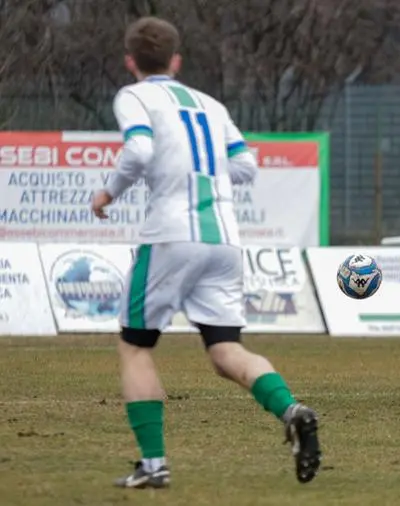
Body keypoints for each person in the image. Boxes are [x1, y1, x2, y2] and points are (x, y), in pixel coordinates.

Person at [90, 16, 321, 489]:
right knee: (225, 350)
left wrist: (108, 194)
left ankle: (153, 466)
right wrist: (206, 176)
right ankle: (291, 409)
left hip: (171, 237)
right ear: (176, 60)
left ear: (130, 60)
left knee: (135, 347)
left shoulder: (133, 96)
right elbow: (245, 165)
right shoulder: (211, 105)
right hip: (224, 240)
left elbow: (137, 151)